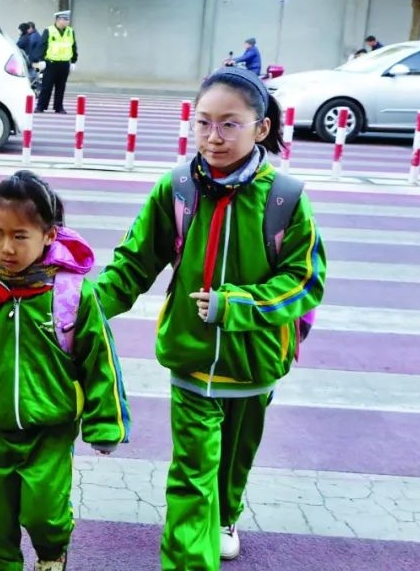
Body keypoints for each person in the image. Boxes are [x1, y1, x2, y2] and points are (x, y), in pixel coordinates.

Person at [95, 66, 326, 570]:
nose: (213, 137)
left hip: (257, 361)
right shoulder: (177, 188)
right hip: (192, 359)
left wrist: (237, 306)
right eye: (203, 123)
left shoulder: (285, 198)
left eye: (229, 125)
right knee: (192, 475)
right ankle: (189, 558)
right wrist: (80, 307)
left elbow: (306, 281)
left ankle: (227, 515)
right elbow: (132, 264)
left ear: (260, 128)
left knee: (233, 466)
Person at [0, 170, 130, 571]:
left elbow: (99, 360)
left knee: (43, 516)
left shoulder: (71, 293)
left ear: (49, 235)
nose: (5, 247)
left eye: (19, 236)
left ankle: (52, 553)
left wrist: (105, 424)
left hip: (48, 429)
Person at [36, 10, 77, 113]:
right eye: (64, 19)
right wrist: (41, 59)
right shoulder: (49, 30)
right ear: (58, 20)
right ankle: (41, 106)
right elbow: (42, 45)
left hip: (64, 63)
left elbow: (73, 47)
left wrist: (73, 61)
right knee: (46, 86)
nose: (67, 22)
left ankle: (58, 107)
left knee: (61, 87)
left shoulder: (70, 31)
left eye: (67, 19)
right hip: (51, 63)